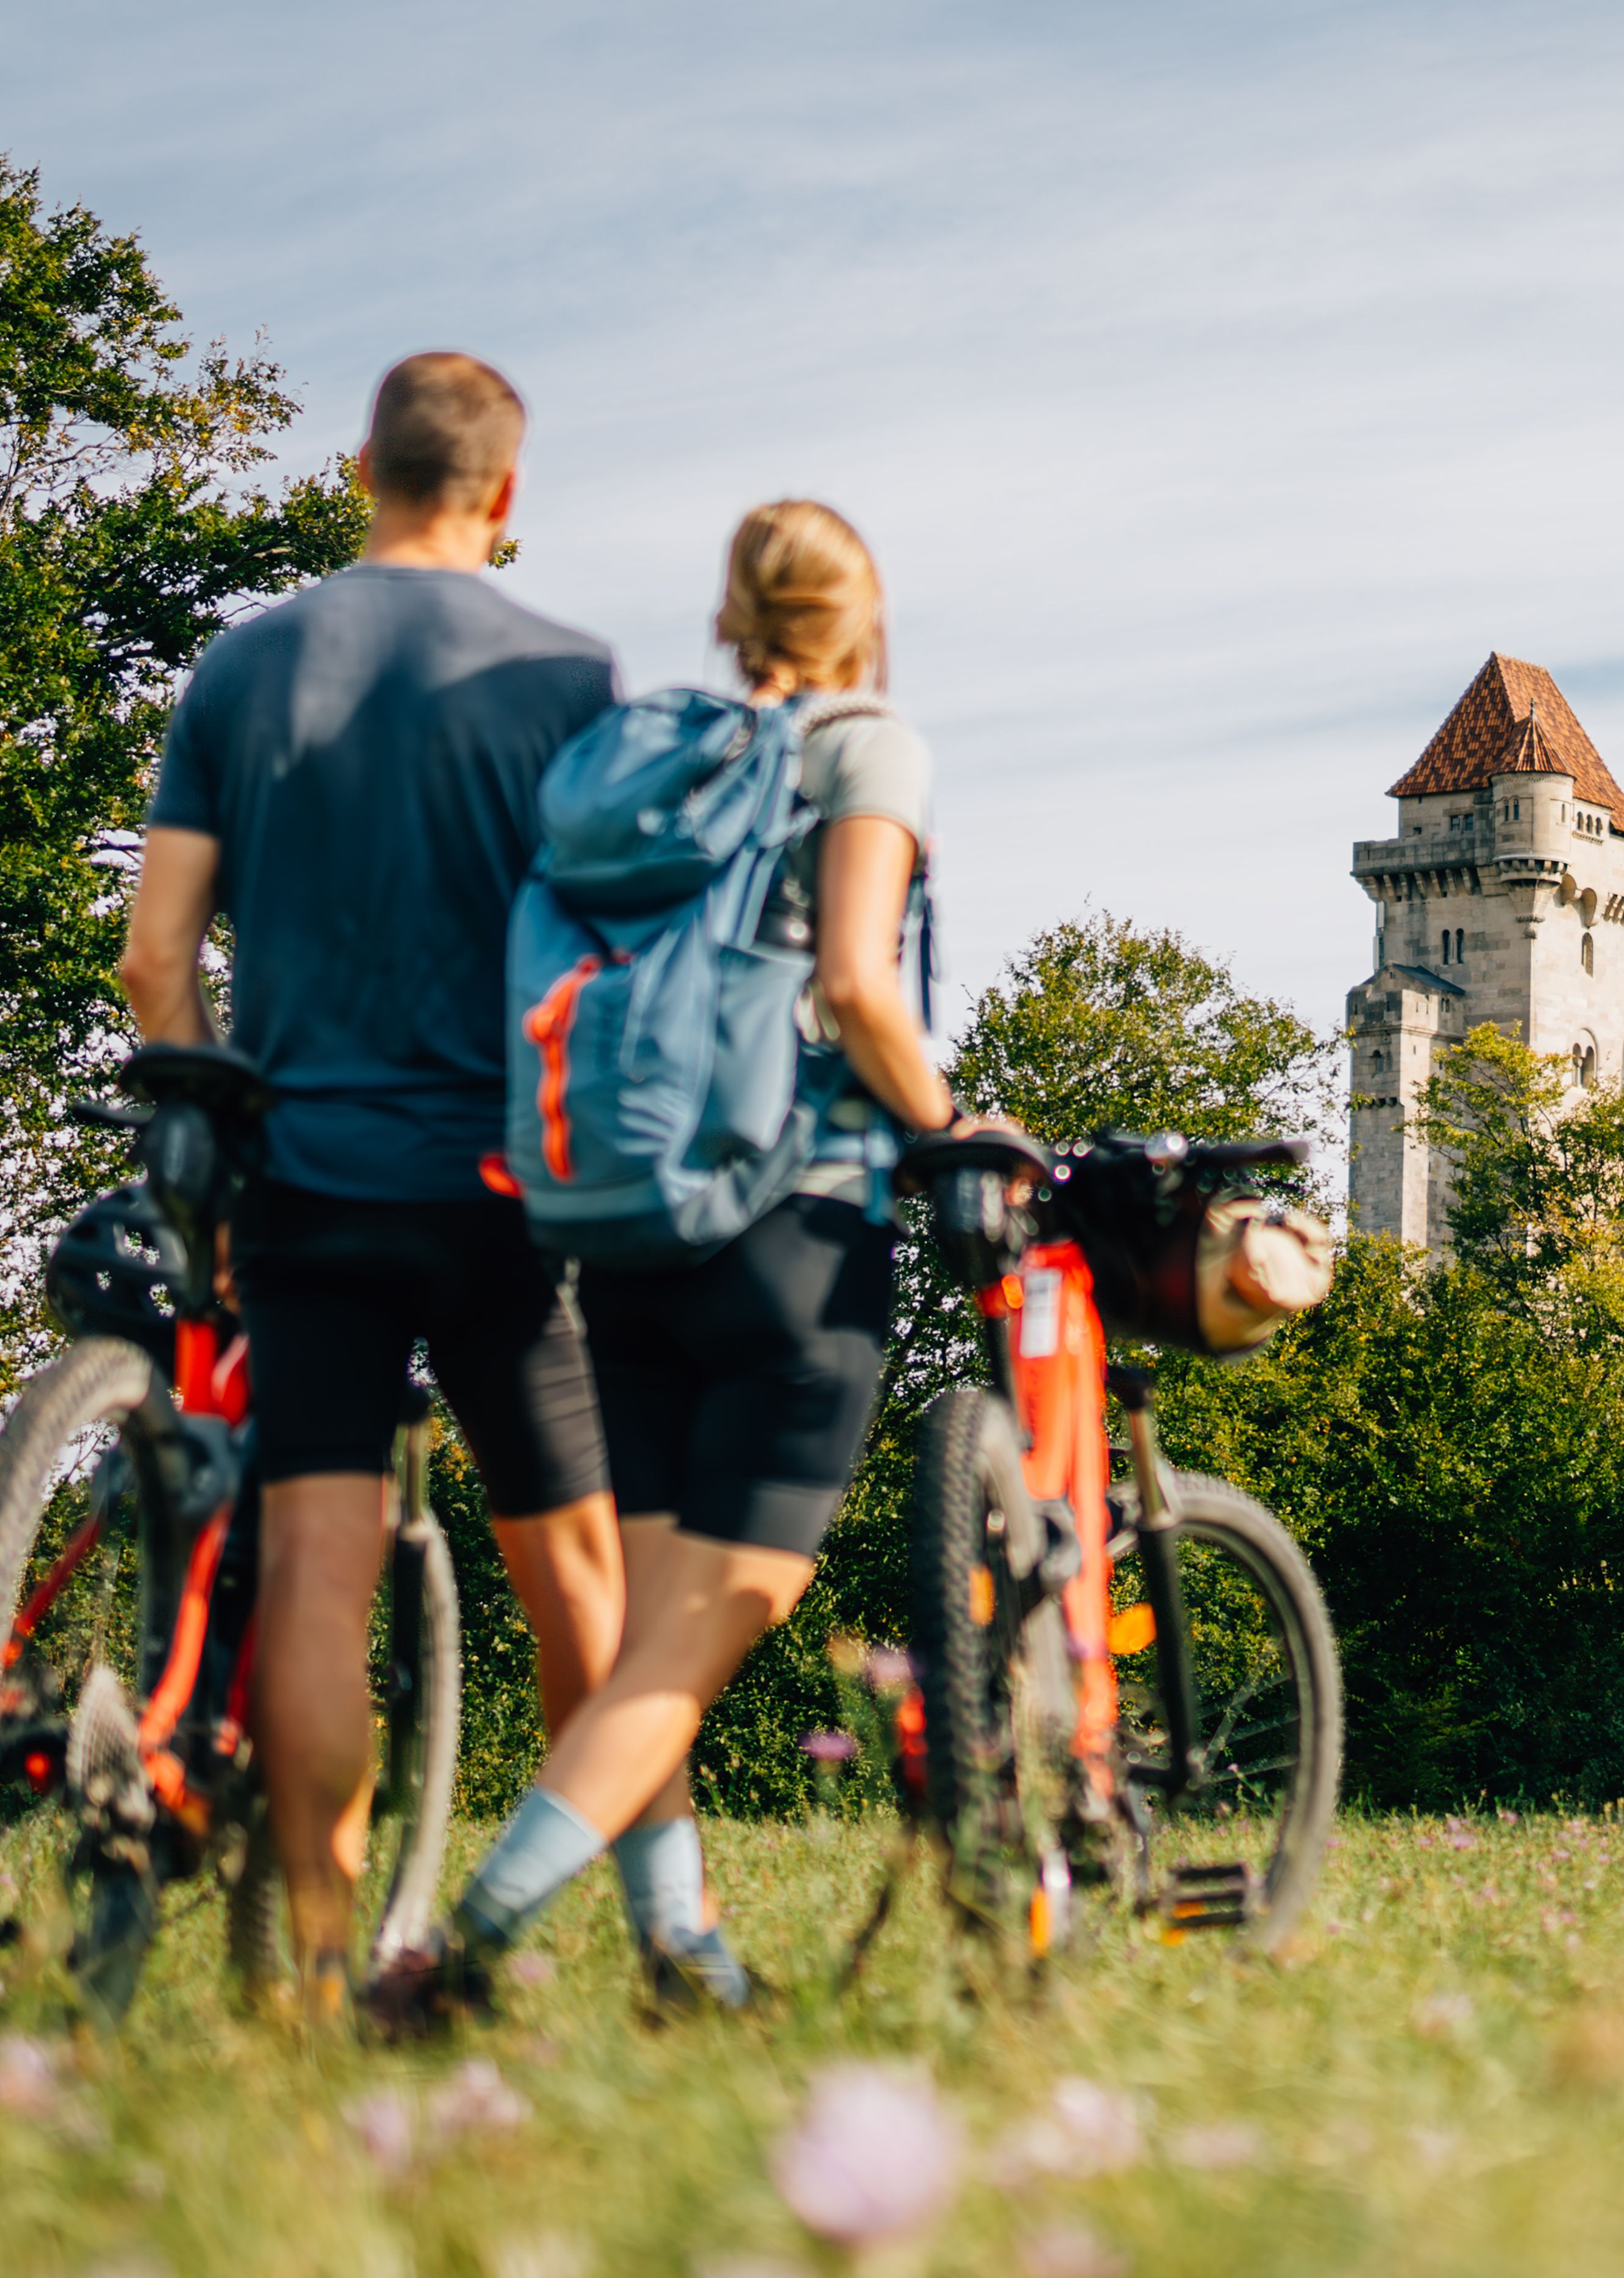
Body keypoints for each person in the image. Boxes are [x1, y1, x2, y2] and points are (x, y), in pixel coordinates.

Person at [120, 353, 668, 2021]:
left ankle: (313, 1966)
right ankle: (660, 1937)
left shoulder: (245, 667)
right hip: (507, 1190)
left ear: (364, 465)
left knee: (315, 1578)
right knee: (580, 1578)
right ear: (504, 492)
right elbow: (626, 958)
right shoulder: (574, 680)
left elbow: (154, 958)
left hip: (309, 1184)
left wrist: (216, 1126)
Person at [371, 498, 958, 2023]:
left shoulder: (632, 758)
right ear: (858, 618)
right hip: (793, 1226)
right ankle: (460, 1947)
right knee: (697, 1641)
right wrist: (959, 1127)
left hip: (615, 1225)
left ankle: (682, 1956)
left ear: (730, 613)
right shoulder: (861, 747)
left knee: (647, 1648)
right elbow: (855, 983)